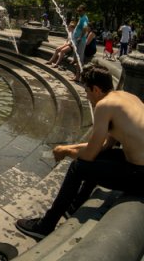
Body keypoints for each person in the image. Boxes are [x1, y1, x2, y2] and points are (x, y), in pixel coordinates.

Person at [15, 65, 144, 240]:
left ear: (96, 89)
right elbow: (105, 145)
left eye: (86, 91)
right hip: (138, 166)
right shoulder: (126, 97)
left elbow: (89, 155)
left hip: (139, 175)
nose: (86, 96)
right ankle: (75, 205)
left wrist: (66, 151)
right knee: (96, 158)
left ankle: (45, 226)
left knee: (78, 167)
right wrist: (68, 148)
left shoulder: (104, 105)